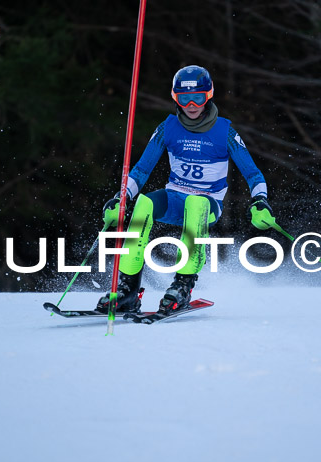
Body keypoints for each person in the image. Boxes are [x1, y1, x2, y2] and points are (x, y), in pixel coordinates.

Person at [96, 65, 276, 316]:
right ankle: (127, 291)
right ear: (175, 98)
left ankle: (183, 285)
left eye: (198, 97)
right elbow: (141, 170)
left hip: (207, 204)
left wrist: (260, 200)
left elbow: (253, 173)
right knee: (143, 204)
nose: (192, 105)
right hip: (174, 198)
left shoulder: (225, 132)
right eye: (184, 98)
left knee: (196, 203)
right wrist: (121, 198)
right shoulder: (167, 129)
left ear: (209, 95)